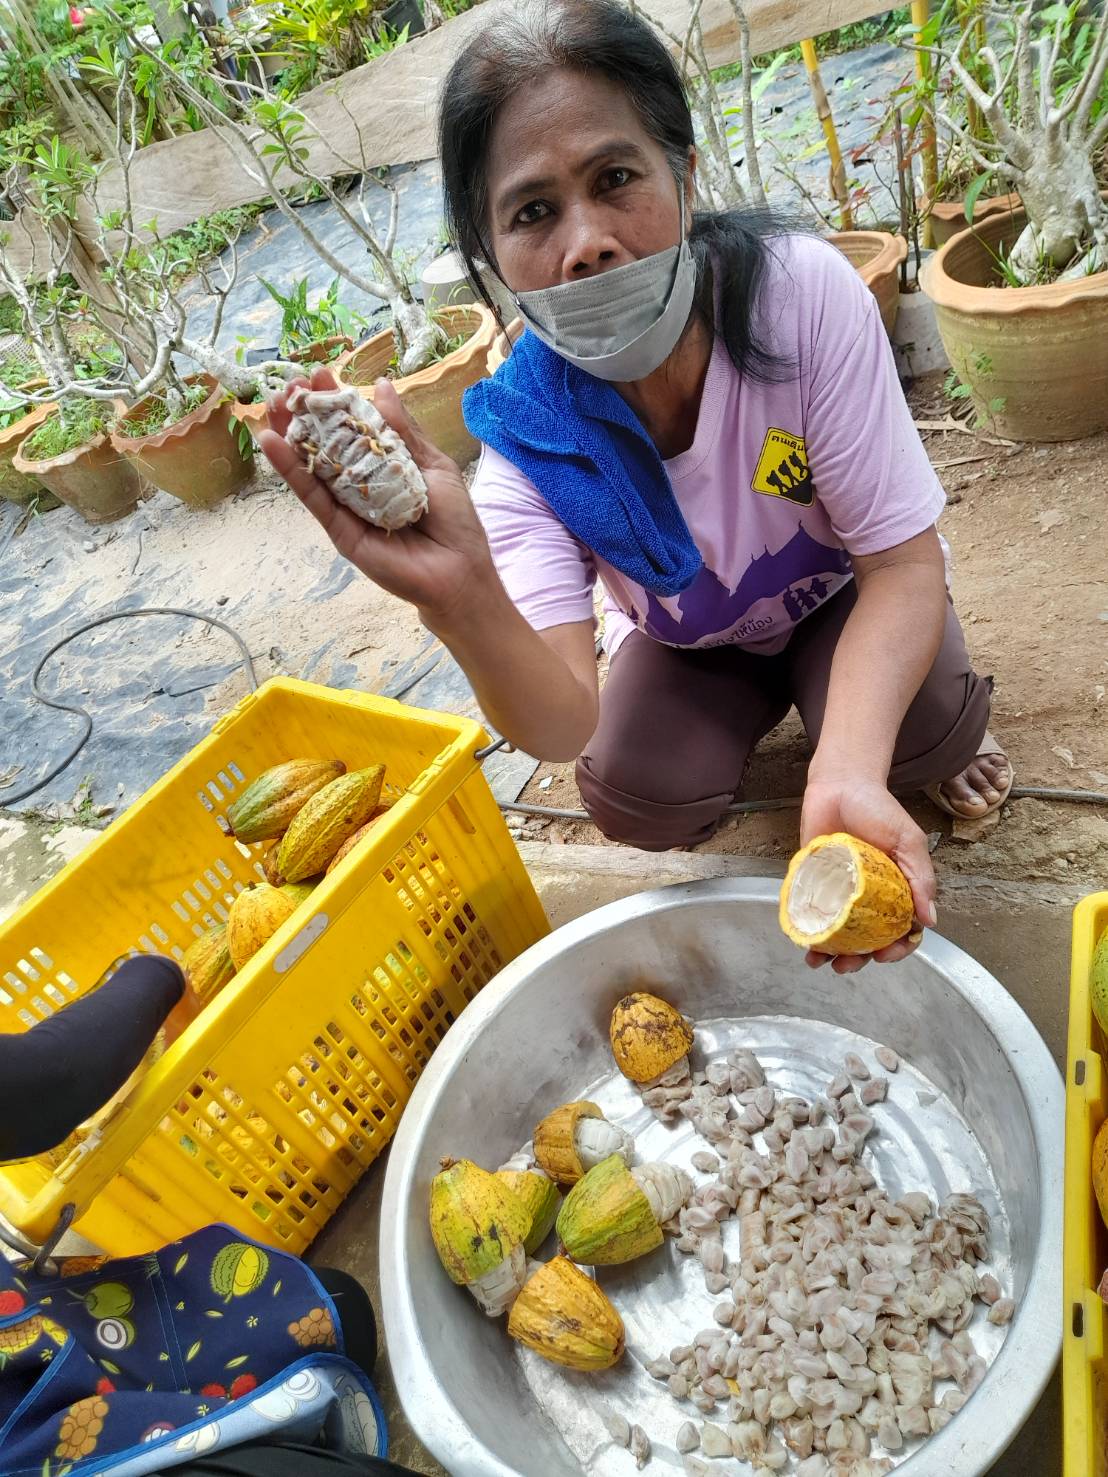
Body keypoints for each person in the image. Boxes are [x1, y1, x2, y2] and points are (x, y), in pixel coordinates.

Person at [261, 0, 1013, 977]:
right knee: (628, 788)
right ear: (492, 260)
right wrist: (462, 597)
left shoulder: (799, 299)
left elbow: (900, 565)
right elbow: (561, 722)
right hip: (691, 640)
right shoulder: (529, 443)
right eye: (533, 212)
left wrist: (843, 770)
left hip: (840, 597)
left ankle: (892, 727)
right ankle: (782, 715)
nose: (586, 242)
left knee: (925, 729)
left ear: (685, 179)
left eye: (615, 180)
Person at [0, 955, 415, 1477]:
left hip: (46, 1341)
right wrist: (157, 972)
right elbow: (54, 1081)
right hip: (37, 1451)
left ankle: (263, 1430)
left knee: (341, 1309)